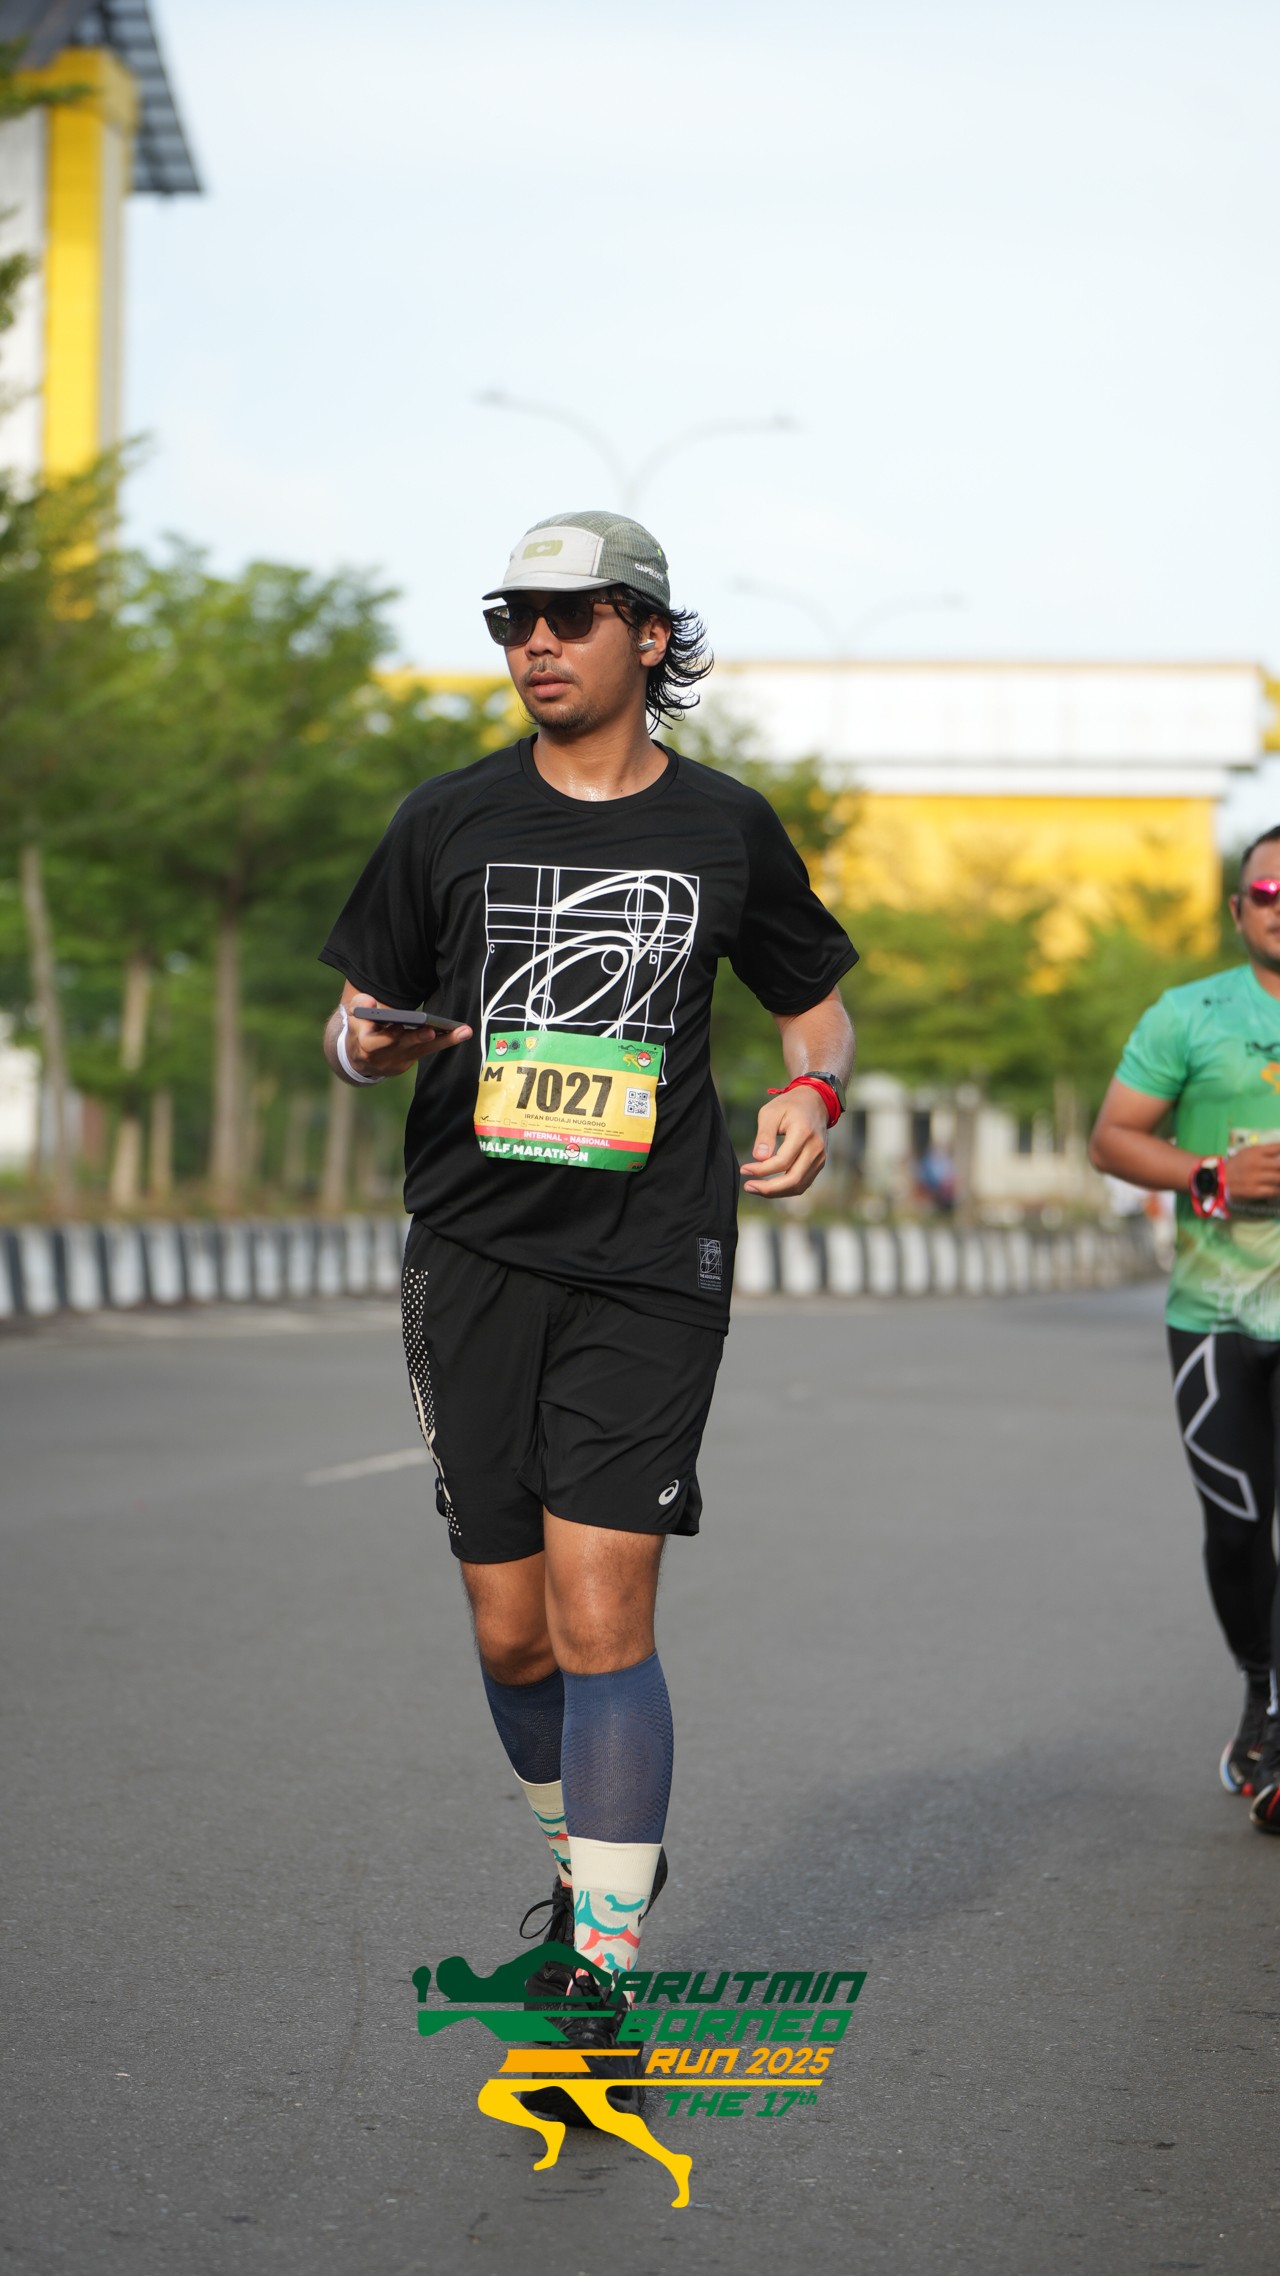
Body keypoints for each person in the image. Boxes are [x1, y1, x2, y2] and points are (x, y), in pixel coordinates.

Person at [318, 510, 858, 2109]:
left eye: (569, 616)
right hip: (473, 1248)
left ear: (649, 635)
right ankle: (590, 1864)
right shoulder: (446, 818)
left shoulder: (726, 826)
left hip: (651, 1254)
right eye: (513, 620)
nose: (535, 645)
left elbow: (814, 999)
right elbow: (352, 1025)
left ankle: (604, 1964)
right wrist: (375, 1045)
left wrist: (814, 1091)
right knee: (512, 1627)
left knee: (604, 1608)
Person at [1089, 826, 1280, 1836]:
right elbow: (1112, 1138)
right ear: (1238, 909)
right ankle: (1260, 1682)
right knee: (1236, 1529)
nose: (1279, 905)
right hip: (1215, 1319)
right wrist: (1211, 1176)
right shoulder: (1189, 1014)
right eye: (1266, 891)